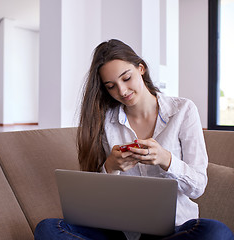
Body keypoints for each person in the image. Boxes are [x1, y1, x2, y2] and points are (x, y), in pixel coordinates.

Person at [34, 39, 234, 240]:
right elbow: (95, 202)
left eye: (126, 78)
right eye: (111, 86)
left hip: (175, 229)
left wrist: (167, 160)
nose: (121, 91)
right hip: (119, 231)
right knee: (49, 228)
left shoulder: (183, 111)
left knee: (217, 233)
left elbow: (198, 187)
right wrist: (110, 167)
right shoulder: (105, 122)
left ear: (141, 68)